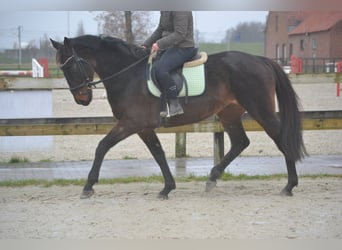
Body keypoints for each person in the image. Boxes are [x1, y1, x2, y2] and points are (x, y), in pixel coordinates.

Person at [142, 11, 197, 117]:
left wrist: (159, 43)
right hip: (169, 47)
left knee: (160, 69)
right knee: (151, 68)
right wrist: (145, 45)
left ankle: (174, 103)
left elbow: (180, 34)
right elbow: (160, 30)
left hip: (184, 47)